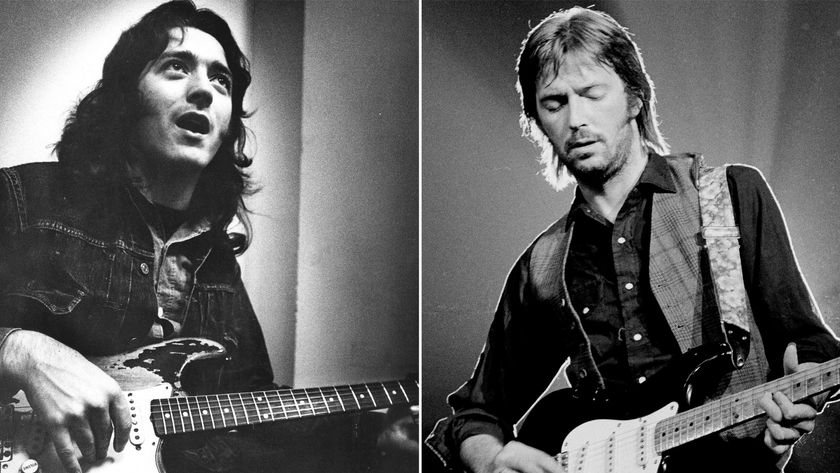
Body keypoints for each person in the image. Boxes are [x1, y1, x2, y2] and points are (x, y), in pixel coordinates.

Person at [0, 2, 415, 473]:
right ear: (124, 98)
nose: (203, 90)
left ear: (228, 127)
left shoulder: (217, 263)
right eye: (175, 67)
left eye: (222, 81)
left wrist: (376, 432)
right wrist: (23, 352)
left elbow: (257, 411)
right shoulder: (25, 197)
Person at [426, 6, 840, 473]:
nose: (576, 118)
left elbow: (809, 345)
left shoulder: (730, 196)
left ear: (635, 98)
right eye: (554, 102)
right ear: (538, 121)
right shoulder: (543, 264)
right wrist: (492, 459)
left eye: (592, 94)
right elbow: (474, 413)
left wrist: (806, 388)